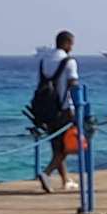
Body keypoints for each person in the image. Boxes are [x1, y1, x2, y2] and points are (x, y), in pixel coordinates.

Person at [29, 31, 81, 193]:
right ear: (66, 43)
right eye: (71, 44)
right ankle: (46, 173)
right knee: (66, 148)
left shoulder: (44, 60)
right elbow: (73, 85)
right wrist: (77, 108)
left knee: (56, 146)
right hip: (63, 109)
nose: (72, 47)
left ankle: (66, 180)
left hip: (45, 109)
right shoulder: (69, 61)